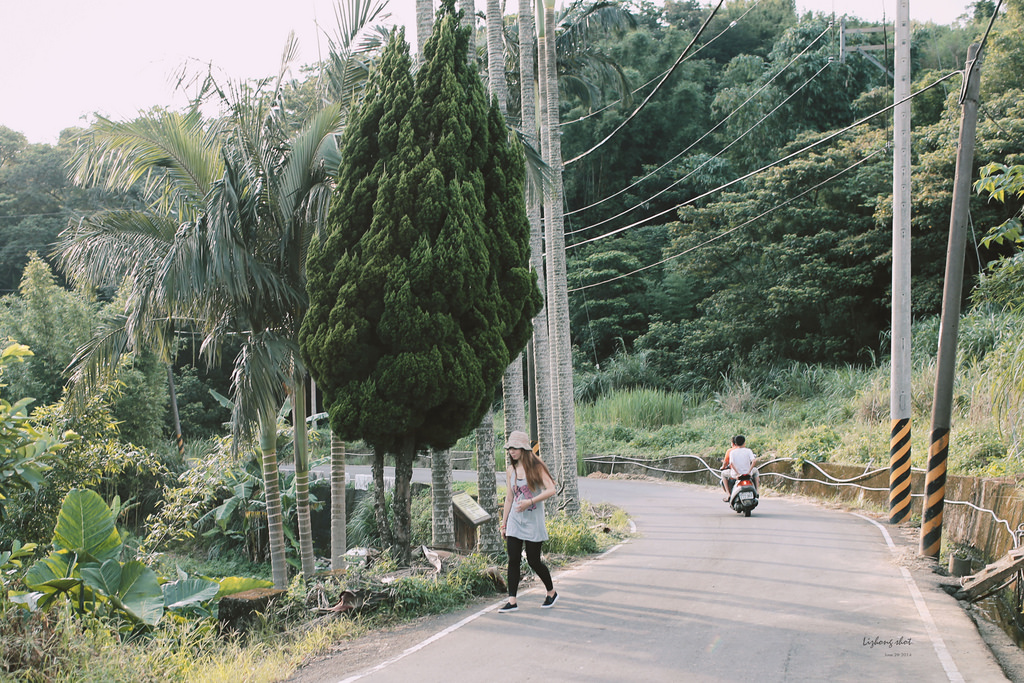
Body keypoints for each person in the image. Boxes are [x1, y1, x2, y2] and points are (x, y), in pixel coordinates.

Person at [498, 430, 558, 613]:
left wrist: (530, 501)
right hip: (515, 521)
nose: (511, 452)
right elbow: (509, 498)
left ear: (523, 449)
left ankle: (551, 592)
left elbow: (552, 489)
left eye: (515, 448)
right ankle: (512, 600)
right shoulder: (511, 470)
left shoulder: (536, 468)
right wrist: (504, 523)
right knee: (513, 559)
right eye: (509, 448)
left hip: (533, 521)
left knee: (533, 560)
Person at [721, 434, 759, 501]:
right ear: (744, 443)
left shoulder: (732, 452)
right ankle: (757, 491)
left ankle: (728, 494)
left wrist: (738, 473)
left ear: (735, 443)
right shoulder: (748, 451)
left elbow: (731, 463)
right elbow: (754, 461)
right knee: (756, 471)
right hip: (748, 474)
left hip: (736, 475)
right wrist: (749, 471)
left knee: (723, 474)